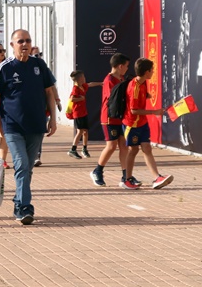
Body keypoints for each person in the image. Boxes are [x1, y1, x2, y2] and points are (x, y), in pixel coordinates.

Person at [0, 30, 57, 225]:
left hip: (37, 125)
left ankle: (18, 201)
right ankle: (25, 208)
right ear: (12, 44)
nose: (25, 44)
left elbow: (49, 92)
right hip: (12, 126)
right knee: (22, 164)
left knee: (27, 167)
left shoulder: (39, 65)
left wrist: (53, 119)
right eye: (20, 41)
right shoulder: (4, 68)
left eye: (28, 41)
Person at [120, 58, 173, 190]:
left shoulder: (143, 83)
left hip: (142, 123)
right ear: (146, 72)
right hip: (132, 124)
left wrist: (147, 95)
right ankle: (127, 179)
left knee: (147, 149)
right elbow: (134, 110)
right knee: (133, 150)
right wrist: (154, 112)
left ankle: (157, 178)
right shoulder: (135, 87)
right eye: (152, 70)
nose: (153, 72)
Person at [90, 54, 132, 187]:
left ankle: (126, 176)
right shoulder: (109, 80)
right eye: (126, 66)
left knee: (124, 146)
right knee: (111, 146)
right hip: (109, 118)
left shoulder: (122, 78)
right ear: (120, 66)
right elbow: (114, 99)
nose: (127, 68)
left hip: (120, 117)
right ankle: (97, 171)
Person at [67, 71, 101, 159]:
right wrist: (81, 98)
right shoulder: (76, 88)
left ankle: (84, 149)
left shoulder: (83, 86)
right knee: (80, 131)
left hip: (84, 112)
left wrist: (100, 83)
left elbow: (90, 84)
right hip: (77, 113)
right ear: (80, 79)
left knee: (85, 131)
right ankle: (73, 149)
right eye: (83, 77)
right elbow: (72, 98)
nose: (85, 79)